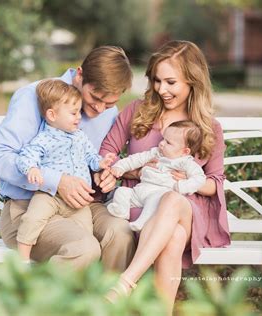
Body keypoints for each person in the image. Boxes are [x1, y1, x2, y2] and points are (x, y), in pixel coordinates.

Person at [99, 40, 231, 313]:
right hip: (140, 207)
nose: (162, 89)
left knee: (171, 200)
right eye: (157, 80)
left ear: (192, 81)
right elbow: (108, 152)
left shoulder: (208, 127)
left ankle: (125, 282)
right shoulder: (138, 110)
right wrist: (135, 171)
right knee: (172, 235)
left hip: (184, 206)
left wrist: (179, 182)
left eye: (171, 82)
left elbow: (215, 183)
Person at [0, 46, 136, 270]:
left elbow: (96, 159)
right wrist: (57, 181)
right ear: (80, 74)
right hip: (30, 208)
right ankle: (39, 303)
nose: (100, 108)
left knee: (121, 235)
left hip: (85, 207)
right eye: (95, 97)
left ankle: (106, 303)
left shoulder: (108, 114)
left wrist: (105, 175)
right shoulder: (34, 97)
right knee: (84, 248)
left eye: (109, 103)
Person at [15, 79, 115, 263]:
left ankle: (79, 273)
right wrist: (31, 168)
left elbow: (91, 157)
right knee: (33, 218)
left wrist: (101, 163)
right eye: (74, 113)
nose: (79, 117)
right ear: (52, 115)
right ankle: (22, 259)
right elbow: (27, 155)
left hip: (78, 201)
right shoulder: (44, 139)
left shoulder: (80, 137)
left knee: (85, 234)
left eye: (79, 112)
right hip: (50, 196)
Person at [107, 120, 206, 232]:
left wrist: (182, 186)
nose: (161, 143)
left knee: (153, 201)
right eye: (163, 139)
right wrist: (120, 167)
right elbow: (136, 159)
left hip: (159, 194)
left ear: (185, 151)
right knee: (122, 191)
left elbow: (199, 178)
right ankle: (121, 212)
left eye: (168, 143)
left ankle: (142, 223)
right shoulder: (156, 153)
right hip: (139, 191)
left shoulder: (185, 163)